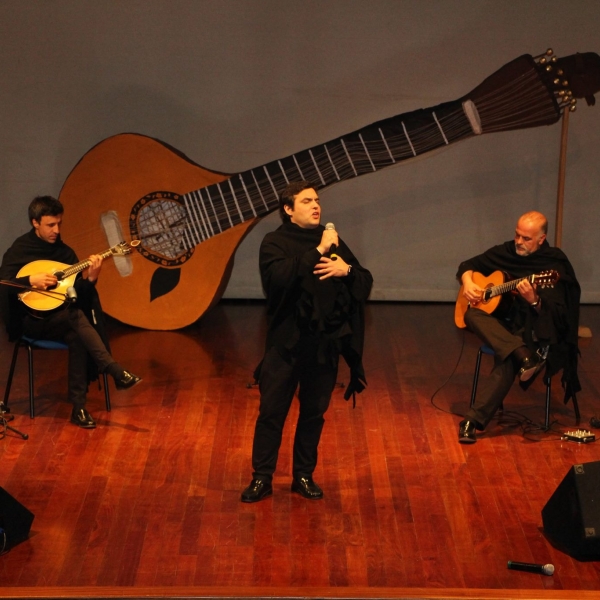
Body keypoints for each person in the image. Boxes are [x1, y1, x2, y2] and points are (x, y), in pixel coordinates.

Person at [241, 181, 373, 502]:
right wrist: (318, 251)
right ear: (288, 209)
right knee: (272, 413)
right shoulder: (275, 242)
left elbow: (364, 281)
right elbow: (279, 280)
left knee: (314, 413)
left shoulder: (332, 241)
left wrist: (346, 270)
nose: (316, 206)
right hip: (285, 346)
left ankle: (303, 475)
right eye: (306, 201)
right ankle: (262, 478)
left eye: (317, 200)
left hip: (322, 346)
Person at [0, 195, 142, 429]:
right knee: (75, 319)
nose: (56, 230)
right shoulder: (20, 249)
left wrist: (92, 278)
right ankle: (114, 369)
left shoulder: (65, 254)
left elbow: (78, 295)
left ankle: (79, 408)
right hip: (29, 321)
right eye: (50, 225)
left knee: (77, 332)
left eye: (59, 224)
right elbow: (3, 283)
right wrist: (30, 280)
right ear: (35, 223)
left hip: (60, 320)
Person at [456, 211, 580, 443]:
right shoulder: (506, 252)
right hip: (504, 325)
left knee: (508, 359)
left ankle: (471, 421)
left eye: (526, 238)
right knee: (471, 314)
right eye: (517, 235)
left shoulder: (553, 263)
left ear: (542, 239)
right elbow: (467, 265)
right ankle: (523, 355)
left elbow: (561, 314)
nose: (519, 242)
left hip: (533, 329)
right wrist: (468, 282)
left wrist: (534, 300)